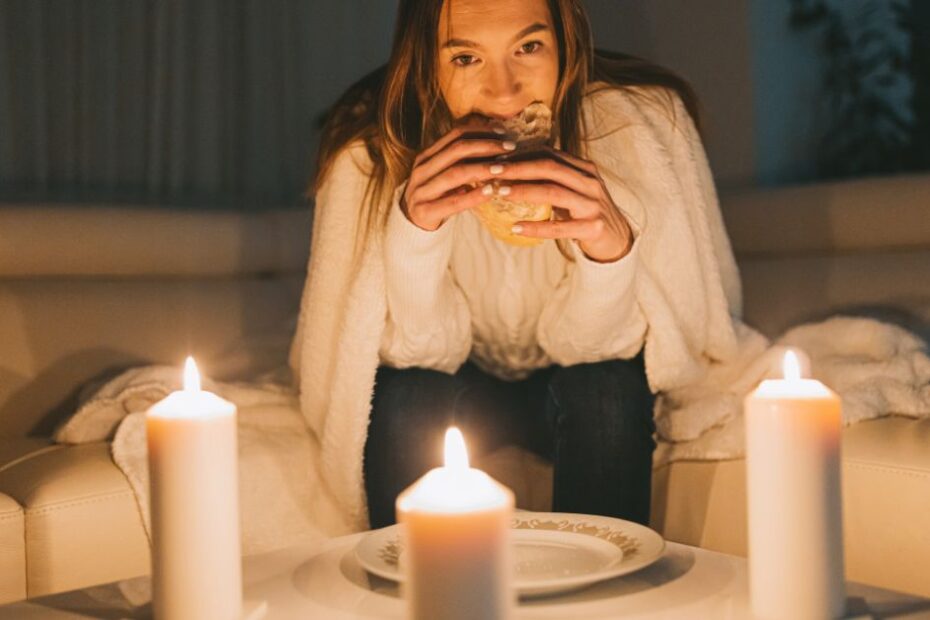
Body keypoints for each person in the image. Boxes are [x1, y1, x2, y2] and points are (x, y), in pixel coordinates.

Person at [289, 0, 742, 533]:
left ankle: (599, 599)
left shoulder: (630, 129)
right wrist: (417, 231)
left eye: (528, 47)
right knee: (403, 397)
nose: (504, 92)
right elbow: (415, 353)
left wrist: (608, 251)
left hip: (577, 374)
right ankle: (414, 594)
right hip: (456, 378)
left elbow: (601, 349)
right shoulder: (375, 149)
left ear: (565, 44)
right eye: (465, 59)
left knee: (607, 391)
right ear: (426, 64)